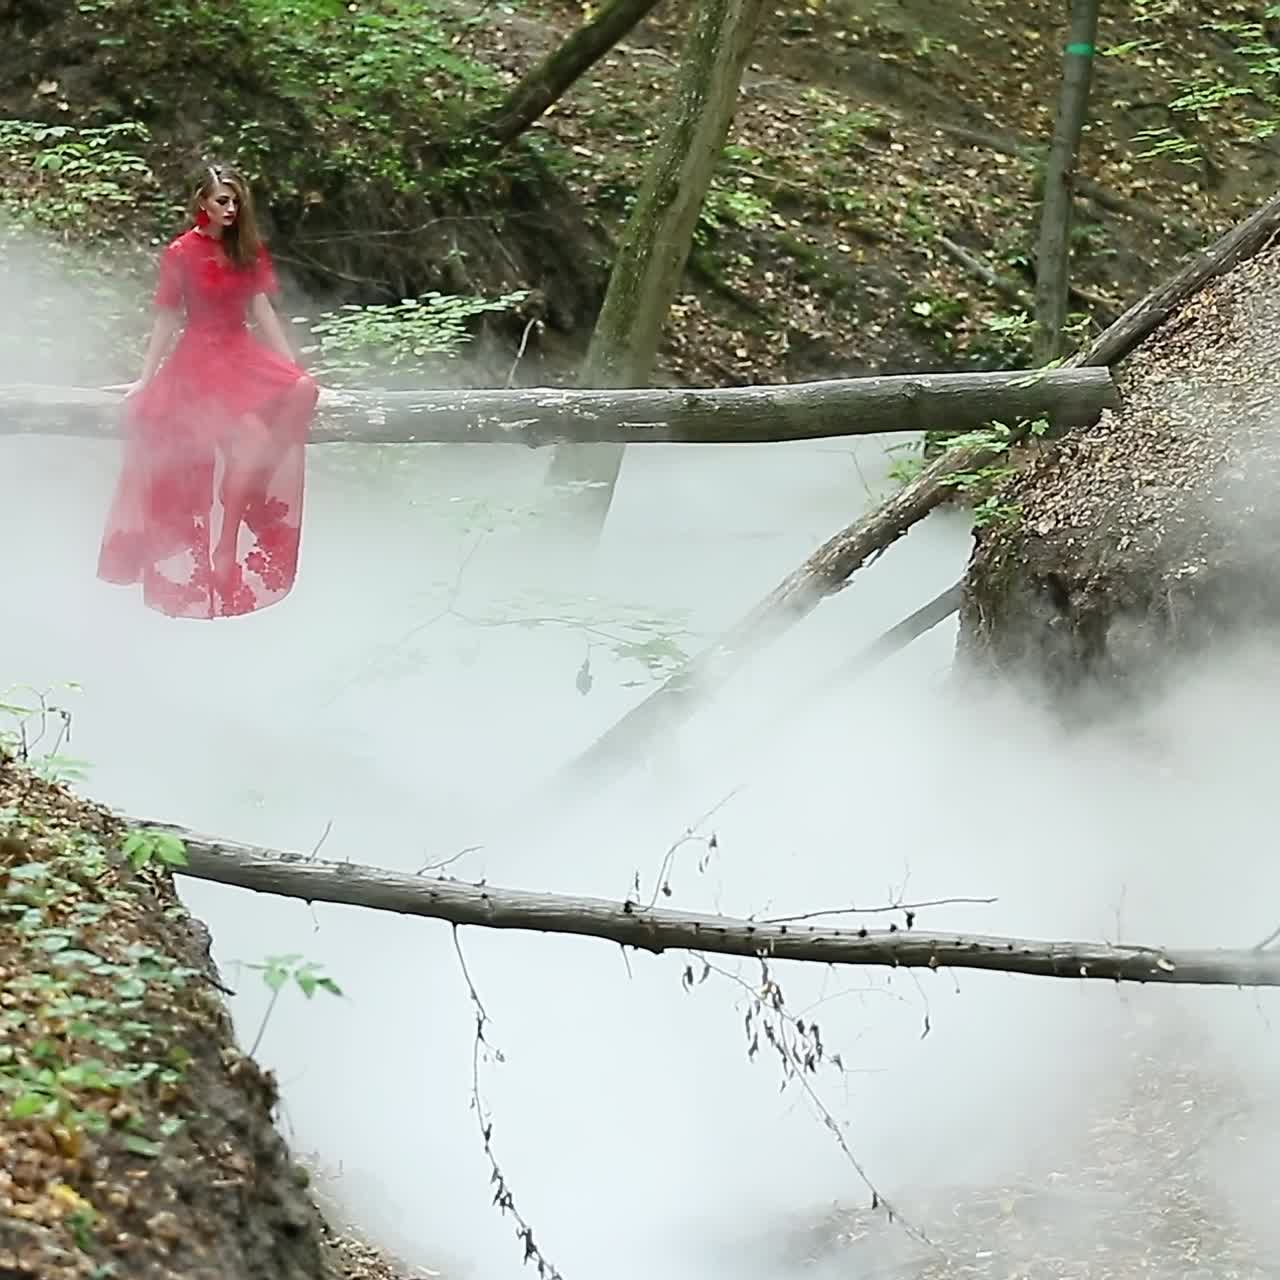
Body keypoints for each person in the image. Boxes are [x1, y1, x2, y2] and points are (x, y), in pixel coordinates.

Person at [97, 164, 319, 618]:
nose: (231, 209)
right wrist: (145, 376)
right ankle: (226, 540)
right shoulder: (181, 252)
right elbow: (166, 316)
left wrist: (289, 366)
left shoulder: (246, 250)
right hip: (199, 357)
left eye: (236, 201)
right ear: (202, 203)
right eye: (223, 201)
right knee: (250, 437)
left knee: (304, 390)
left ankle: (245, 491)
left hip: (239, 351)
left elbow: (261, 308)